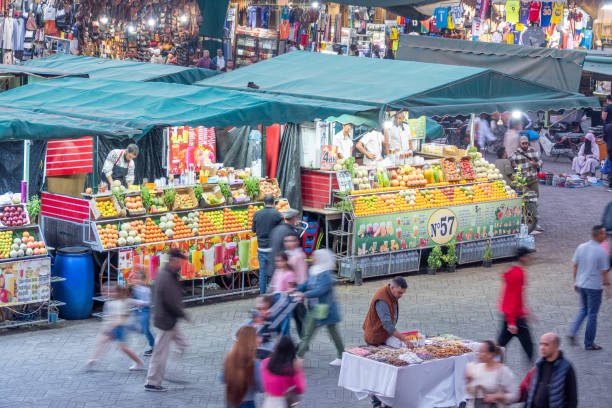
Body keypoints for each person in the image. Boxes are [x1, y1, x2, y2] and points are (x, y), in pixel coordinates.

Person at [145, 249, 190, 392]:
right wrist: (182, 314)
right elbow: (171, 301)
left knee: (183, 344)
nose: (181, 264)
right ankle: (152, 382)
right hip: (166, 320)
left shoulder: (168, 274)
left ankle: (170, 372)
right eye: (179, 261)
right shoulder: (166, 277)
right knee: (160, 353)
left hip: (169, 319)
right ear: (172, 260)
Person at [295, 249, 345, 366]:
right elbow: (307, 284)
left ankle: (298, 357)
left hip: (323, 309)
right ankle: (342, 355)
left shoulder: (325, 273)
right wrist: (296, 289)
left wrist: (304, 294)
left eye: (315, 256)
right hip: (316, 307)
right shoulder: (314, 270)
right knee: (315, 332)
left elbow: (320, 290)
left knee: (311, 332)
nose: (312, 257)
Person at [568, 225, 610, 350]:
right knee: (592, 314)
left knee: (584, 310)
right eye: (603, 234)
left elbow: (575, 266)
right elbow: (604, 273)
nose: (605, 236)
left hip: (581, 285)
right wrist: (608, 288)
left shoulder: (581, 247)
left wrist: (575, 282)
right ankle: (589, 342)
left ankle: (573, 332)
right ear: (598, 235)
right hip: (594, 287)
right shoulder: (601, 252)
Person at [86, 284, 145, 371]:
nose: (108, 293)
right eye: (105, 291)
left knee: (123, 348)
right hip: (113, 327)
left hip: (119, 328)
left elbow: (119, 320)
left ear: (118, 293)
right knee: (102, 341)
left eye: (111, 292)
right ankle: (94, 360)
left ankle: (139, 362)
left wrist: (110, 327)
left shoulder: (118, 303)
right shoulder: (111, 302)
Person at [497, 247, 534, 361]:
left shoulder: (513, 271)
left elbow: (514, 296)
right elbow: (512, 298)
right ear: (522, 258)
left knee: (501, 345)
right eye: (527, 256)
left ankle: (495, 364)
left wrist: (525, 311)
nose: (529, 258)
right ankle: (535, 372)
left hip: (512, 315)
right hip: (515, 318)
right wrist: (512, 322)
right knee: (528, 346)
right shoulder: (518, 274)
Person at [524, 333, 577, 408]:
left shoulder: (566, 367)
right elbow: (531, 391)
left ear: (556, 346)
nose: (542, 348)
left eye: (546, 345)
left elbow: (572, 399)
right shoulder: (539, 364)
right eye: (541, 344)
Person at [464, 340, 519, 408]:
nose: (478, 353)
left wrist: (497, 397)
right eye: (479, 351)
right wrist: (468, 382)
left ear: (490, 354)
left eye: (482, 351)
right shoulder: (475, 368)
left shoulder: (502, 371)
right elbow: (470, 394)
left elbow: (515, 395)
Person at [363, 277, 413, 348]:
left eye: (402, 293)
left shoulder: (392, 294)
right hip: (374, 338)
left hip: (384, 335)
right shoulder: (382, 299)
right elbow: (387, 325)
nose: (401, 295)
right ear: (392, 288)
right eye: (399, 293)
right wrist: (404, 339)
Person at [223, 326, 262, 408]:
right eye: (257, 336)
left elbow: (222, 378)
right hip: (247, 404)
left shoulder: (229, 357)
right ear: (250, 340)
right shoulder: (255, 362)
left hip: (231, 402)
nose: (260, 339)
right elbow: (261, 388)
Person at [261, 336, 306, 408]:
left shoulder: (265, 362)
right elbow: (300, 388)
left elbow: (264, 384)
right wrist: (299, 370)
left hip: (268, 402)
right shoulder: (292, 367)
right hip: (283, 402)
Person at [252, 194, 283, 294]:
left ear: (263, 203)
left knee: (262, 274)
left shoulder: (257, 214)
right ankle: (274, 295)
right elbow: (280, 231)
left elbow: (254, 230)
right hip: (273, 250)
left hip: (261, 249)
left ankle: (263, 296)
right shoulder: (277, 214)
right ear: (274, 203)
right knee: (274, 274)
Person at [284, 234, 307, 336]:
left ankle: (302, 341)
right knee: (296, 319)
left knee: (296, 318)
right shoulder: (287, 254)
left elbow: (302, 276)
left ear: (297, 242)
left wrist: (299, 292)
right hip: (287, 293)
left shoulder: (299, 256)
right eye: (287, 241)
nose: (288, 243)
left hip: (295, 292)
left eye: (291, 241)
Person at [129, 269, 155, 356]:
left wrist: (137, 302)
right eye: (135, 279)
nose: (136, 281)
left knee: (146, 330)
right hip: (137, 311)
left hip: (145, 311)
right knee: (135, 326)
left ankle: (154, 347)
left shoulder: (146, 290)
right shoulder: (135, 288)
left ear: (143, 280)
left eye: (138, 279)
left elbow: (148, 302)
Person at [269, 209, 300, 278]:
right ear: (293, 218)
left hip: (273, 268)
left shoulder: (276, 229)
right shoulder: (291, 233)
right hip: (282, 271)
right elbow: (293, 253)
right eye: (296, 217)